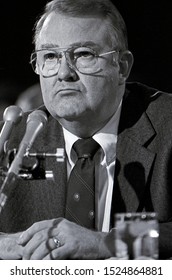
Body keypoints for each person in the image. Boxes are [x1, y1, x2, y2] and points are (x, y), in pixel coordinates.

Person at [0, 0, 172, 260]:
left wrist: (107, 243)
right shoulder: (15, 139)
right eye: (50, 57)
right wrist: (13, 246)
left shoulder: (167, 125)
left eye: (83, 54)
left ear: (122, 66)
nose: (64, 73)